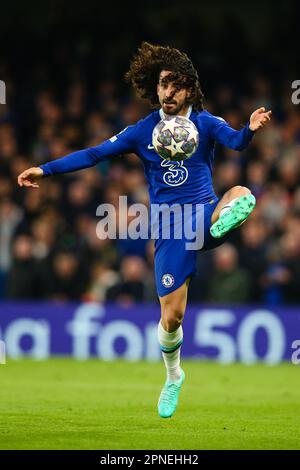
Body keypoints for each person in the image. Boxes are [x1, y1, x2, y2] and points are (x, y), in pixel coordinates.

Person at [17, 42, 271, 418]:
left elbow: (235, 141)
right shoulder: (143, 130)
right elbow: (94, 154)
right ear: (155, 88)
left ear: (189, 89)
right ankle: (174, 376)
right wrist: (46, 169)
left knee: (243, 194)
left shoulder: (205, 122)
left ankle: (228, 216)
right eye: (162, 84)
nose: (167, 92)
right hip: (168, 228)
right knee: (172, 318)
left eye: (175, 85)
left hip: (200, 213)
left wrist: (248, 130)